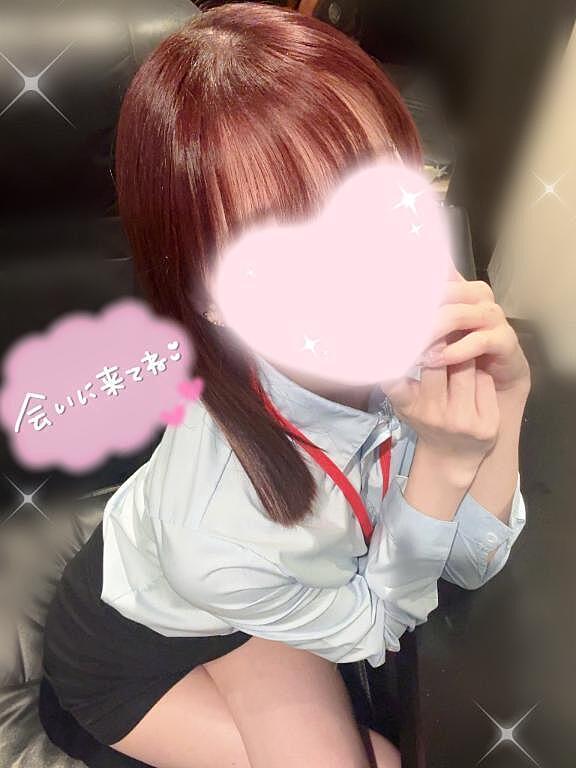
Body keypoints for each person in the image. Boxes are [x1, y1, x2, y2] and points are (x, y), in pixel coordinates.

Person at [38, 3, 530, 767]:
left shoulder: (423, 321)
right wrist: (441, 467)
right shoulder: (217, 525)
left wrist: (504, 406)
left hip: (266, 594)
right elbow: (377, 626)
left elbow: (467, 565)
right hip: (135, 647)